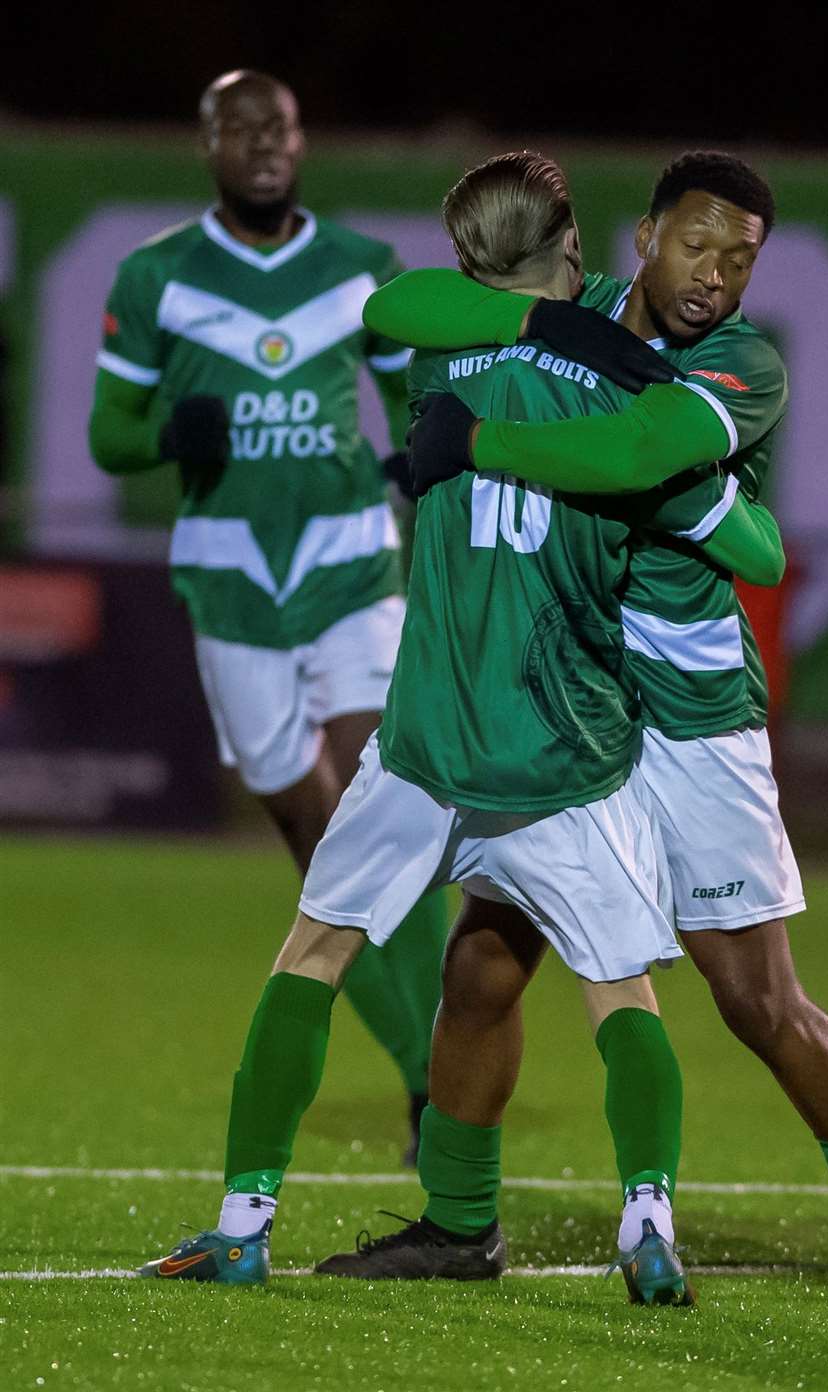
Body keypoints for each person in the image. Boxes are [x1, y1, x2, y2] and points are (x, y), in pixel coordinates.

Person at [136, 151, 785, 1306]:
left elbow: (397, 305)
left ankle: (242, 1224)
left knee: (312, 956)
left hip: (426, 740)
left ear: (469, 259)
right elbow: (757, 551)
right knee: (621, 992)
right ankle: (648, 1221)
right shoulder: (629, 394)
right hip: (563, 748)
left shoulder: (435, 362)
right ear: (578, 252)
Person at [368, 150, 828, 1307]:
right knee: (483, 962)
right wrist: (555, 330)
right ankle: (458, 1220)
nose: (717, 275)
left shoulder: (742, 367)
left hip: (690, 723)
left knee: (755, 1001)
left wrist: (478, 441)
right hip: (575, 702)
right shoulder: (570, 308)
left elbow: (634, 454)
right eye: (698, 243)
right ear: (643, 236)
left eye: (743, 259)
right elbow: (397, 309)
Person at [87, 69, 447, 1164]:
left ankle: (438, 1090)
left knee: (390, 793)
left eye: (278, 125)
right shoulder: (156, 276)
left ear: (300, 140)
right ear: (206, 144)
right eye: (239, 127)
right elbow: (111, 432)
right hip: (232, 580)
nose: (261, 143)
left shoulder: (361, 270)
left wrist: (423, 457)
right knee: (314, 832)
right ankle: (425, 1064)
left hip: (349, 563)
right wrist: (169, 439)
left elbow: (416, 392)